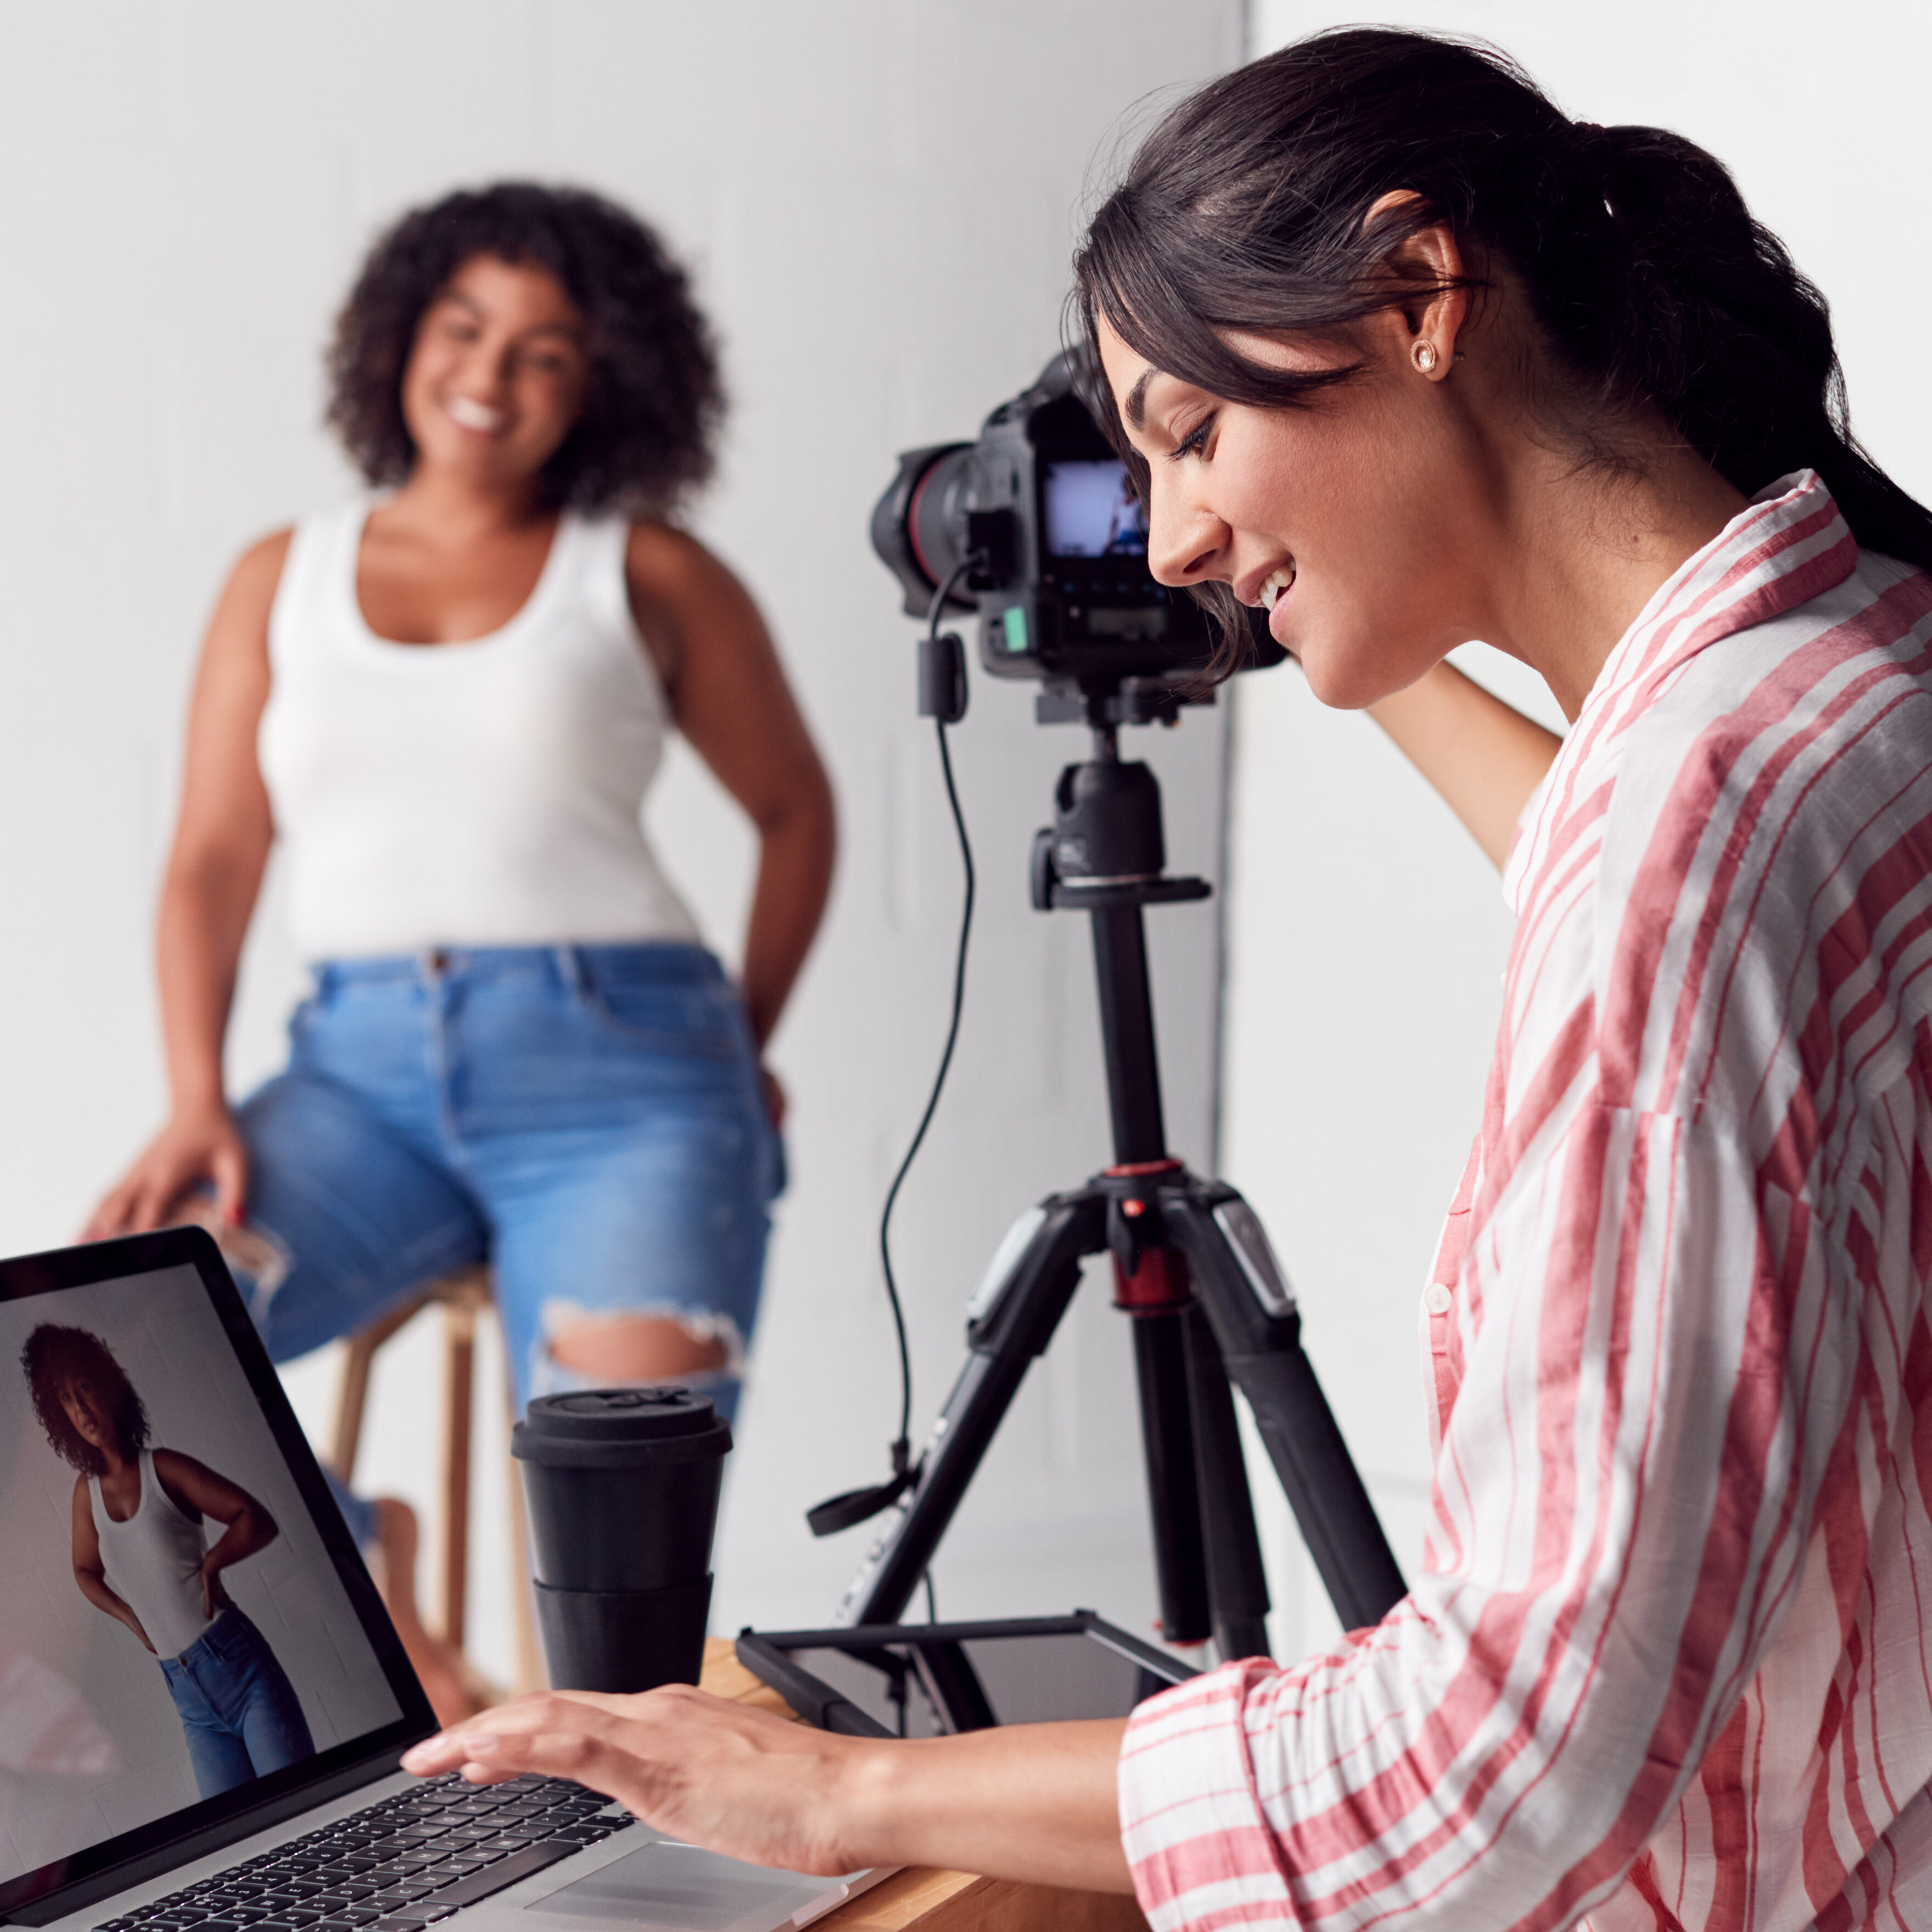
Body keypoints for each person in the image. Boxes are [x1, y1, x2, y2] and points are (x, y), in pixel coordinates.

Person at [399, 30, 1932, 1932]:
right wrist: (1318, 597)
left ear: (1415, 293)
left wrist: (834, 1786)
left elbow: (1492, 1768)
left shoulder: (1688, 861)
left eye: (1188, 434)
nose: (1172, 540)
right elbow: (1620, 852)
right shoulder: (1846, 678)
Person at [83, 184, 836, 1717]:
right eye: (466, 325)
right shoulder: (277, 576)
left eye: (550, 351)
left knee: (620, 1518)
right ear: (402, 338)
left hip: (626, 1079)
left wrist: (733, 1046)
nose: (495, 371)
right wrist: (193, 1094)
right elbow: (213, 856)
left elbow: (795, 812)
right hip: (353, 1081)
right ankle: (378, 1573)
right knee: (106, 1340)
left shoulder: (643, 573)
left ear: (604, 383)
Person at [23, 1324, 315, 1800]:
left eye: (85, 1389)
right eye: (66, 1399)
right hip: (186, 1693)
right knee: (235, 1846)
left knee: (302, 1811)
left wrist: (214, 1563)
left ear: (108, 1384)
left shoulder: (165, 1469)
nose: (80, 1409)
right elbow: (84, 1571)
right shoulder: (86, 1494)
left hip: (238, 1664)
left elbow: (254, 1519)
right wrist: (131, 1618)